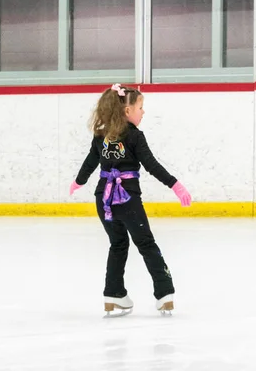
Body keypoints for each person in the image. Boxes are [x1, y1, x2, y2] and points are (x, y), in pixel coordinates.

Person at [69, 83, 192, 315]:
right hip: (127, 200)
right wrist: (175, 184)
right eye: (140, 107)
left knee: (118, 245)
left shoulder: (100, 136)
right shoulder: (135, 136)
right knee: (145, 243)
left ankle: (113, 293)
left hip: (103, 200)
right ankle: (164, 292)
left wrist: (79, 182)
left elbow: (89, 164)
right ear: (127, 112)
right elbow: (151, 165)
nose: (143, 112)